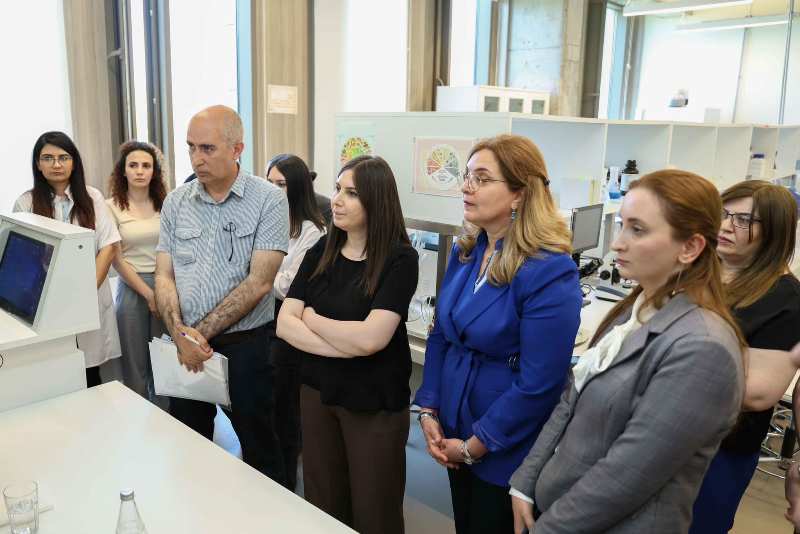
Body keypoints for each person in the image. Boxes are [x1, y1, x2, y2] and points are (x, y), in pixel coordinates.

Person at [510, 170, 745, 534]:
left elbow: (626, 476)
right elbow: (571, 402)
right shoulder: (637, 308)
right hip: (560, 508)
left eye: (637, 230)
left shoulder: (703, 347)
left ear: (690, 248)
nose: (617, 244)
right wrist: (525, 482)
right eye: (622, 225)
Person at [413, 134, 582, 534]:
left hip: (505, 441)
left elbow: (540, 383)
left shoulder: (549, 269)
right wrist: (429, 409)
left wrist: (476, 445)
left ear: (520, 193)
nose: (466, 187)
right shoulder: (467, 250)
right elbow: (441, 335)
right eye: (467, 176)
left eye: (482, 178)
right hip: (455, 425)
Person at [276, 155, 418, 534]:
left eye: (351, 193)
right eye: (338, 189)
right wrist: (348, 344)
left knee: (375, 510)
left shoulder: (400, 259)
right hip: (318, 392)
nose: (336, 200)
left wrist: (313, 320)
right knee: (323, 503)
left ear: (376, 200)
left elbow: (373, 338)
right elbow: (285, 325)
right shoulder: (322, 249)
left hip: (373, 402)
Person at [154, 105, 289, 483]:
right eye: (191, 147)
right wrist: (180, 333)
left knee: (259, 449)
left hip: (245, 346)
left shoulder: (268, 200)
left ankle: (268, 512)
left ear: (237, 149)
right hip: (184, 343)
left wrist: (197, 335)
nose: (197, 158)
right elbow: (164, 275)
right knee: (188, 446)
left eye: (208, 148)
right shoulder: (176, 202)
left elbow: (259, 282)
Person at [690, 180, 800, 533]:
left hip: (717, 452)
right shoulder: (705, 268)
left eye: (742, 220)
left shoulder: (785, 299)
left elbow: (757, 393)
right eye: (722, 213)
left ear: (775, 232)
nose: (725, 225)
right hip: (669, 433)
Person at [14, 131, 122, 387]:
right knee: (56, 370)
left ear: (74, 162)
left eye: (63, 157)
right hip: (46, 300)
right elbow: (22, 259)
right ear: (38, 164)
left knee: (90, 372)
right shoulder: (26, 203)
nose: (56, 164)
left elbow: (108, 246)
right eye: (48, 158)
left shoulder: (92, 197)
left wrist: (85, 294)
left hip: (90, 292)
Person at [264, 153, 326, 491]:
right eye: (270, 183)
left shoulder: (313, 232)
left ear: (298, 187)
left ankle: (285, 484)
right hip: (261, 319)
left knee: (284, 413)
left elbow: (288, 286)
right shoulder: (266, 221)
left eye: (281, 184)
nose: (274, 190)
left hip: (287, 326)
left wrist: (259, 272)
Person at [107, 141, 169, 409]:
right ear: (123, 170)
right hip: (131, 285)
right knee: (135, 363)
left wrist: (161, 291)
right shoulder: (110, 206)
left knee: (163, 358)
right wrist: (148, 293)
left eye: (146, 165)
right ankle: (138, 419)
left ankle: (167, 419)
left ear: (155, 171)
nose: (140, 171)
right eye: (133, 165)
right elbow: (116, 259)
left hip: (165, 282)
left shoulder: (166, 204)